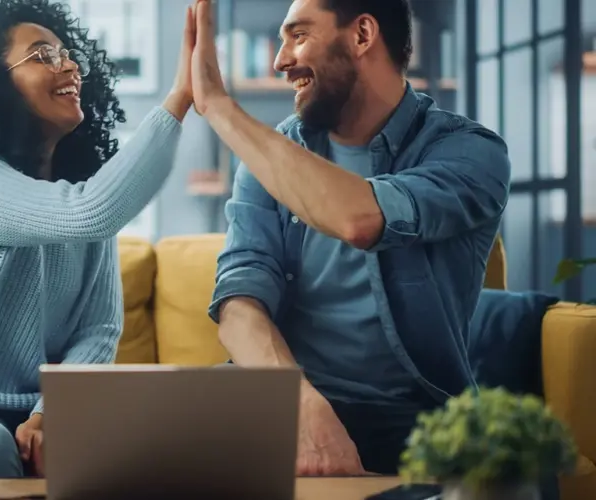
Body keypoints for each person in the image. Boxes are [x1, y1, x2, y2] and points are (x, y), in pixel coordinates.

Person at [0, 0, 195, 478]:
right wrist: (180, 99)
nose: (67, 66)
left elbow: (97, 332)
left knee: (164, 450)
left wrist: (51, 412)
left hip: (37, 408)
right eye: (43, 55)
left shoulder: (78, 193)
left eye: (68, 55)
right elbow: (89, 212)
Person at [189, 0, 512, 475]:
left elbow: (360, 218)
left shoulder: (470, 152)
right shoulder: (269, 160)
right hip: (281, 398)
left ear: (362, 35)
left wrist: (218, 107)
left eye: (298, 36)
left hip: (410, 417)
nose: (280, 60)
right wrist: (298, 401)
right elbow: (239, 305)